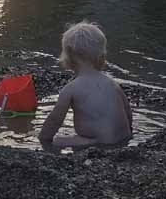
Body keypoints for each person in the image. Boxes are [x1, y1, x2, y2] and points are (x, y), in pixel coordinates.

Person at [37, 21, 133, 150]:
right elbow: (127, 110)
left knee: (58, 141)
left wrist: (43, 140)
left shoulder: (71, 88)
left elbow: (55, 119)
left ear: (68, 58)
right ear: (102, 57)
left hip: (97, 142)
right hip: (123, 139)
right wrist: (128, 134)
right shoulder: (113, 83)